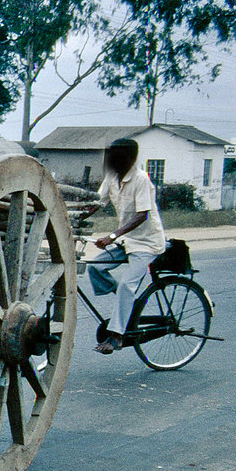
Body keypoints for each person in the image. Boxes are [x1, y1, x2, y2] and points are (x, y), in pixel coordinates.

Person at [85, 138, 166, 354]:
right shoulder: (112, 176)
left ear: (130, 159)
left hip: (147, 243)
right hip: (127, 240)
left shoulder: (141, 180)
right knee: (95, 268)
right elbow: (97, 203)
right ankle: (128, 305)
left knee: (126, 286)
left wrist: (111, 236)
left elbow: (142, 215)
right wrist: (75, 217)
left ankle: (117, 336)